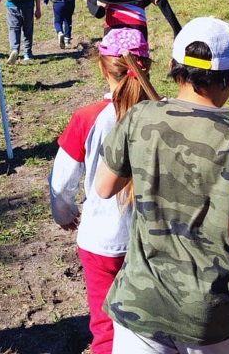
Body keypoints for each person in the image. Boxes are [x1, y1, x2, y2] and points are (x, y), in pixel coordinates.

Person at [93, 17, 229, 354]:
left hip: (139, 302)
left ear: (174, 68)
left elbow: (104, 187)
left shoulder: (140, 116)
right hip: (208, 314)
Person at [48, 28, 155, 354]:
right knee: (149, 327)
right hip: (155, 241)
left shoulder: (87, 118)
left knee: (106, 329)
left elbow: (62, 182)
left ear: (102, 67)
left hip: (103, 240)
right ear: (146, 66)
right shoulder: (165, 114)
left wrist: (64, 213)